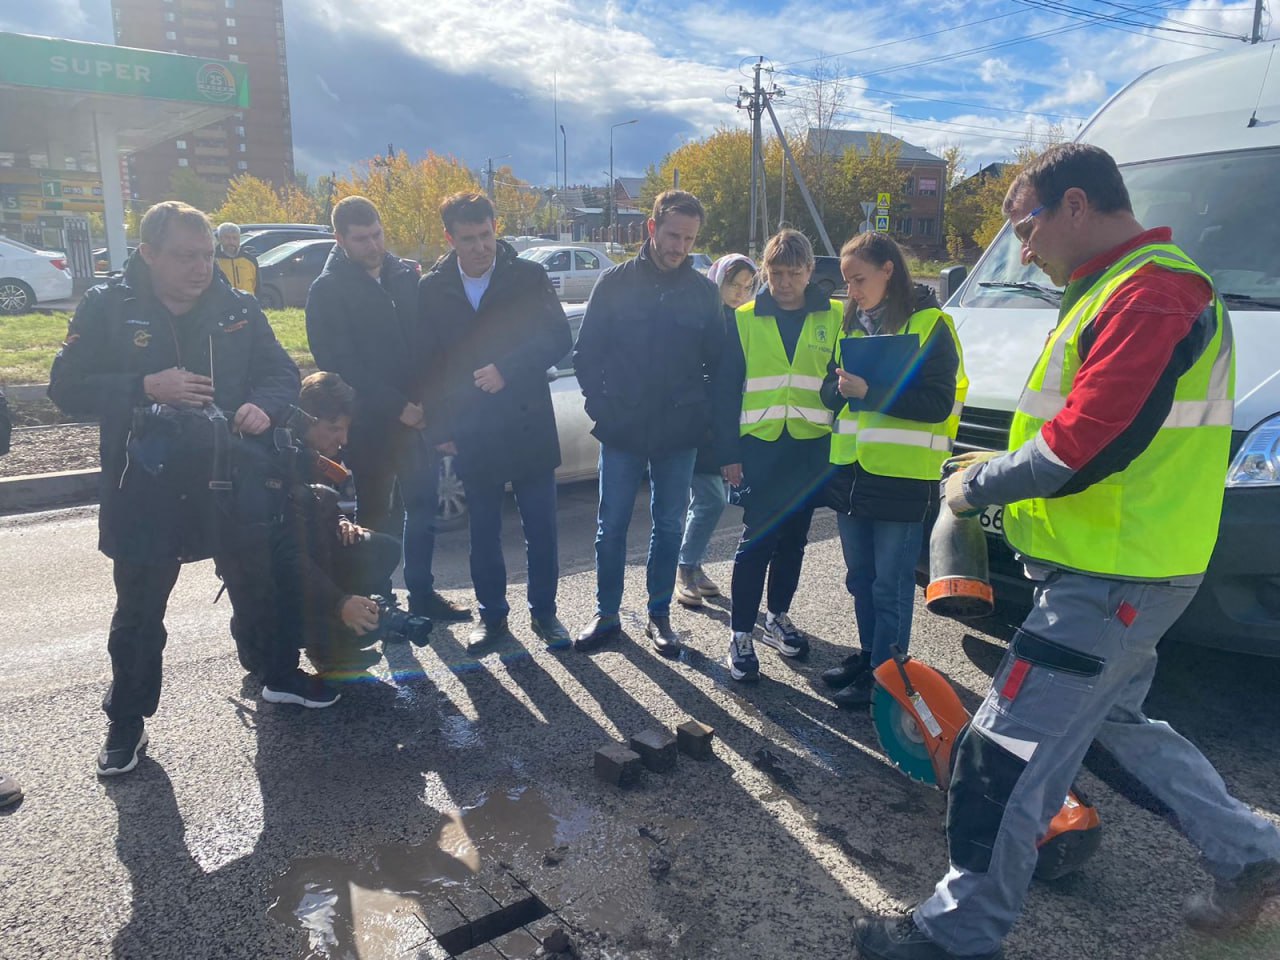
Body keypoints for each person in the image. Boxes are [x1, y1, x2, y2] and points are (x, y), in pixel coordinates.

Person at [855, 143, 1280, 960]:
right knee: (1120, 727)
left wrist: (974, 488)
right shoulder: (1123, 286)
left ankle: (956, 936)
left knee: (1000, 754)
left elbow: (1084, 443)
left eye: (1025, 226)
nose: (1022, 250)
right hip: (1129, 565)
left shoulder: (1152, 293)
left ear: (1076, 205)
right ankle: (1256, 854)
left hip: (1114, 576)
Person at [48, 201, 309, 779]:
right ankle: (126, 722)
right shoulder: (108, 308)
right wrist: (143, 385)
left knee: (257, 584)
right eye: (185, 256)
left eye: (208, 254)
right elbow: (65, 388)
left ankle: (274, 675)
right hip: (145, 487)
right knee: (139, 614)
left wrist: (264, 407)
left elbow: (282, 373)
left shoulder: (237, 306)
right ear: (149, 254)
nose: (200, 267)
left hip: (230, 478)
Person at [573, 189, 725, 655]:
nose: (679, 246)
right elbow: (586, 354)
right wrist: (602, 408)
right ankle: (607, 615)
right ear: (652, 227)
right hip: (621, 429)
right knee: (611, 525)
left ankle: (659, 615)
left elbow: (717, 364)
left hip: (679, 432)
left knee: (669, 525)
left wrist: (703, 419)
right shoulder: (614, 283)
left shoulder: (704, 292)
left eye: (689, 238)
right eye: (673, 234)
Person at [417, 193, 572, 649]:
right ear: (450, 238)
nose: (481, 246)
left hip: (528, 423)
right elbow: (429, 364)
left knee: (541, 528)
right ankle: (492, 618)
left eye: (486, 234)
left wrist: (509, 368)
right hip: (473, 430)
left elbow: (558, 337)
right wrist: (440, 429)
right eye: (468, 239)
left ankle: (545, 614)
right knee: (483, 533)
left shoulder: (528, 276)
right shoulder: (433, 288)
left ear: (495, 227)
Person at [819, 233, 966, 710]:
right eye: (847, 282)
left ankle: (889, 676)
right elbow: (828, 390)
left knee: (891, 584)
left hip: (902, 478)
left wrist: (869, 391)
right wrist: (838, 391)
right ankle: (870, 658)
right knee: (860, 578)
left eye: (859, 280)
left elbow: (937, 402)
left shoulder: (931, 326)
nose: (852, 291)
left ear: (888, 270)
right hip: (852, 473)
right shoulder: (850, 322)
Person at [306, 196, 469, 624]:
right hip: (370, 426)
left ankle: (422, 594)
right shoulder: (327, 291)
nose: (373, 245)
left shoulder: (405, 275)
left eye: (377, 234)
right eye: (361, 239)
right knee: (377, 516)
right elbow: (340, 365)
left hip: (419, 419)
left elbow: (427, 345)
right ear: (339, 239)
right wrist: (398, 407)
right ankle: (376, 602)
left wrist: (428, 404)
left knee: (422, 508)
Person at [715, 229, 840, 681]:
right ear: (765, 272)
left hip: (810, 449)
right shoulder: (744, 318)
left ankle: (778, 617)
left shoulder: (835, 316)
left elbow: (839, 379)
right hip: (761, 448)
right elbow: (726, 391)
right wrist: (728, 452)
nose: (784, 282)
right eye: (776, 273)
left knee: (794, 541)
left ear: (810, 271)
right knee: (757, 542)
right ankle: (740, 634)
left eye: (794, 273)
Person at [272, 372, 403, 676]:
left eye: (345, 430)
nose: (343, 440)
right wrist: (340, 603)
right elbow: (286, 555)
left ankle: (333, 645)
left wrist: (342, 521)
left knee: (377, 548)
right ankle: (323, 645)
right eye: (334, 429)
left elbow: (318, 503)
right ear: (307, 420)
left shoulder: (307, 453)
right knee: (319, 549)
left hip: (301, 560)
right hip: (273, 581)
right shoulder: (278, 458)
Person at [674, 254, 757, 608]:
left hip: (726, 425)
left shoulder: (743, 320)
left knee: (708, 501)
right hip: (697, 423)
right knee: (710, 500)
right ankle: (684, 567)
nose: (739, 293)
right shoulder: (703, 317)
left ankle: (692, 564)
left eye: (746, 286)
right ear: (716, 281)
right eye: (732, 284)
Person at [214, 222, 258, 295]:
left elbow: (257, 287)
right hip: (222, 305)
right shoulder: (213, 260)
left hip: (247, 304)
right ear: (220, 238)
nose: (231, 242)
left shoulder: (250, 260)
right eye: (227, 238)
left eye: (235, 238)